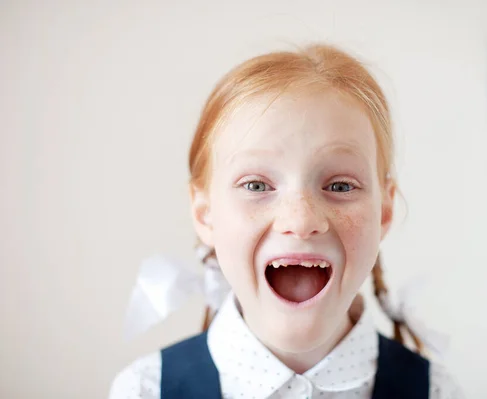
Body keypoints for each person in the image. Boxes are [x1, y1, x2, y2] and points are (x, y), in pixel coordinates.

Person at [109, 43, 464, 399]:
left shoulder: (437, 392)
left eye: (340, 185)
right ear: (206, 214)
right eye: (256, 185)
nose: (301, 219)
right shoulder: (143, 390)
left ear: (384, 212)